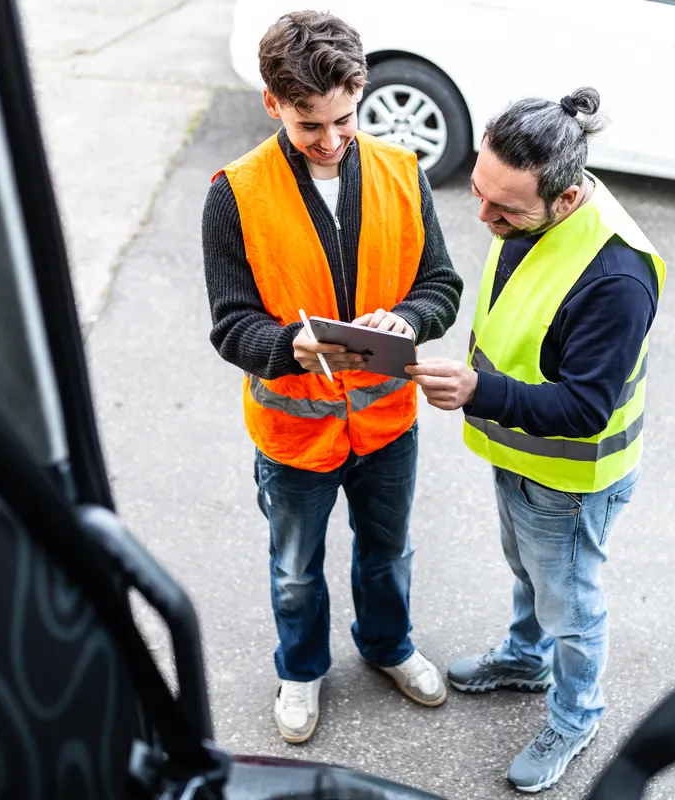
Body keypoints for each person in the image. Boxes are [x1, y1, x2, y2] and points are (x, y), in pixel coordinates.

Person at [201, 10, 463, 744]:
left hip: (386, 425)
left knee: (388, 553)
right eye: (309, 124)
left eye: (345, 119)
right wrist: (293, 347)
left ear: (361, 91)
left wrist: (408, 320)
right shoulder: (233, 194)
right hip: (294, 436)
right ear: (273, 102)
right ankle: (301, 669)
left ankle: (387, 646)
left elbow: (441, 285)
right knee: (294, 570)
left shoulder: (402, 173)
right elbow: (230, 325)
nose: (331, 139)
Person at [406, 87, 666, 792]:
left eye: (505, 210)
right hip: (520, 453)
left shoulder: (617, 278)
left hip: (570, 480)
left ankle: (576, 717)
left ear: (567, 199)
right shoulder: (533, 208)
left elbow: (585, 408)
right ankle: (525, 658)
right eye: (480, 193)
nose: (484, 217)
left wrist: (477, 391)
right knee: (529, 572)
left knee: (571, 607)